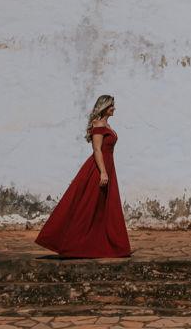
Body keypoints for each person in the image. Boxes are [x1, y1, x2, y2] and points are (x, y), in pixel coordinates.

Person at [35, 94, 132, 257]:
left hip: (108, 166)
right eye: (112, 106)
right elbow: (96, 150)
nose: (114, 108)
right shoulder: (99, 125)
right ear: (105, 107)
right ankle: (74, 244)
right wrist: (102, 172)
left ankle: (102, 244)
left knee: (102, 207)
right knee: (88, 206)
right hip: (98, 169)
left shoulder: (106, 125)